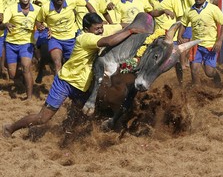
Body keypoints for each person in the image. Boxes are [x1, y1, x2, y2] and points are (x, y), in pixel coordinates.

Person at [2, 12, 146, 138]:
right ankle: (10, 128)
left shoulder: (99, 30)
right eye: (96, 29)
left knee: (85, 115)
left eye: (101, 27)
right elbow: (109, 41)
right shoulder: (85, 38)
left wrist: (141, 23)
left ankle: (66, 133)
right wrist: (131, 31)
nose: (100, 30)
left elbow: (119, 26)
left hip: (82, 86)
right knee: (43, 118)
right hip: (66, 82)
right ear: (86, 29)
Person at [36, 0, 96, 74]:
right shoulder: (45, 8)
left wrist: (94, 17)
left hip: (71, 38)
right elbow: (38, 21)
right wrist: (41, 27)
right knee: (57, 63)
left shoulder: (72, 0)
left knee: (71, 64)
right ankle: (58, 85)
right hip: (54, 38)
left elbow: (86, 3)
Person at [178, 0, 223, 84]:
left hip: (210, 45)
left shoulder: (213, 9)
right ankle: (196, 91)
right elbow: (183, 24)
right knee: (194, 69)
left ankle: (217, 77)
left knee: (209, 72)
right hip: (196, 45)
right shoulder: (189, 11)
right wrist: (179, 36)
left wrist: (220, 41)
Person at [0, 0, 41, 99]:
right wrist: (5, 24)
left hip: (26, 44)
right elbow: (1, 25)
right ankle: (22, 81)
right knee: (12, 74)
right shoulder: (11, 8)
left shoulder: (37, 10)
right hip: (11, 44)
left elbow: (42, 22)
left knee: (26, 67)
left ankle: (29, 97)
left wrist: (43, 27)